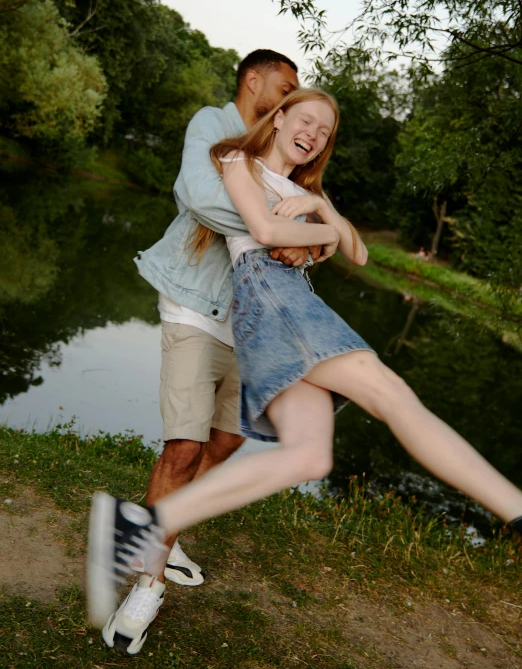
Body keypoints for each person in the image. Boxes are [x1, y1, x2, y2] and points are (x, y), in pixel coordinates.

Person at [88, 89, 522, 650]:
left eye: (325, 130)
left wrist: (324, 212)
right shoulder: (237, 160)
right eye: (306, 119)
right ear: (279, 118)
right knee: (392, 395)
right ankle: (515, 508)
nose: (314, 133)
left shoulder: (306, 193)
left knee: (310, 456)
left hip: (274, 312)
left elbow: (360, 254)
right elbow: (267, 235)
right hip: (273, 300)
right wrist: (327, 234)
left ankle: (140, 525)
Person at [100, 50, 316, 655]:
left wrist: (306, 241)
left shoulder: (287, 154)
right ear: (255, 80)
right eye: (286, 85)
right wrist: (273, 230)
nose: (294, 98)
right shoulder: (213, 126)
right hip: (196, 305)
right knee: (186, 445)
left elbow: (315, 227)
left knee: (224, 444)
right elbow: (197, 197)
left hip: (252, 324)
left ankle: (166, 535)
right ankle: (144, 582)